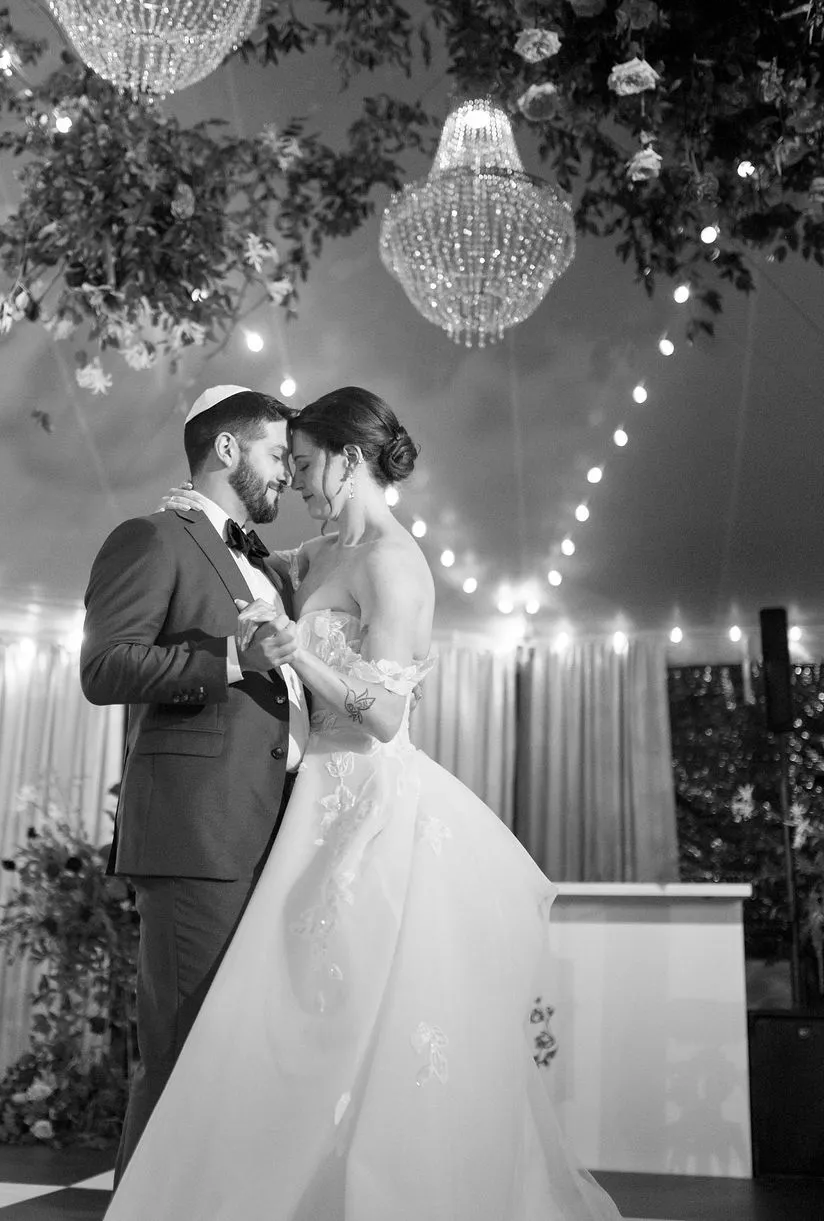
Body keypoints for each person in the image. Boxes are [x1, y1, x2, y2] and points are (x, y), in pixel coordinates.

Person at [104, 385, 623, 1221]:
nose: (296, 481)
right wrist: (200, 515)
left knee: (349, 1026)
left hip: (364, 807)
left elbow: (385, 715)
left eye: (305, 463)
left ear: (348, 460)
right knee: (269, 1031)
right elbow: (240, 568)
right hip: (297, 808)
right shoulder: (315, 554)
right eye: (287, 460)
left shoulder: (394, 563)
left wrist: (295, 655)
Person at [80, 385, 310, 1185]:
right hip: (197, 834)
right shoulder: (150, 538)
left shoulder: (264, 562)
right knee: (184, 1052)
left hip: (272, 835)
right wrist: (233, 657)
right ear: (227, 449)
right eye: (277, 453)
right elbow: (105, 666)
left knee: (241, 1055)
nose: (288, 472)